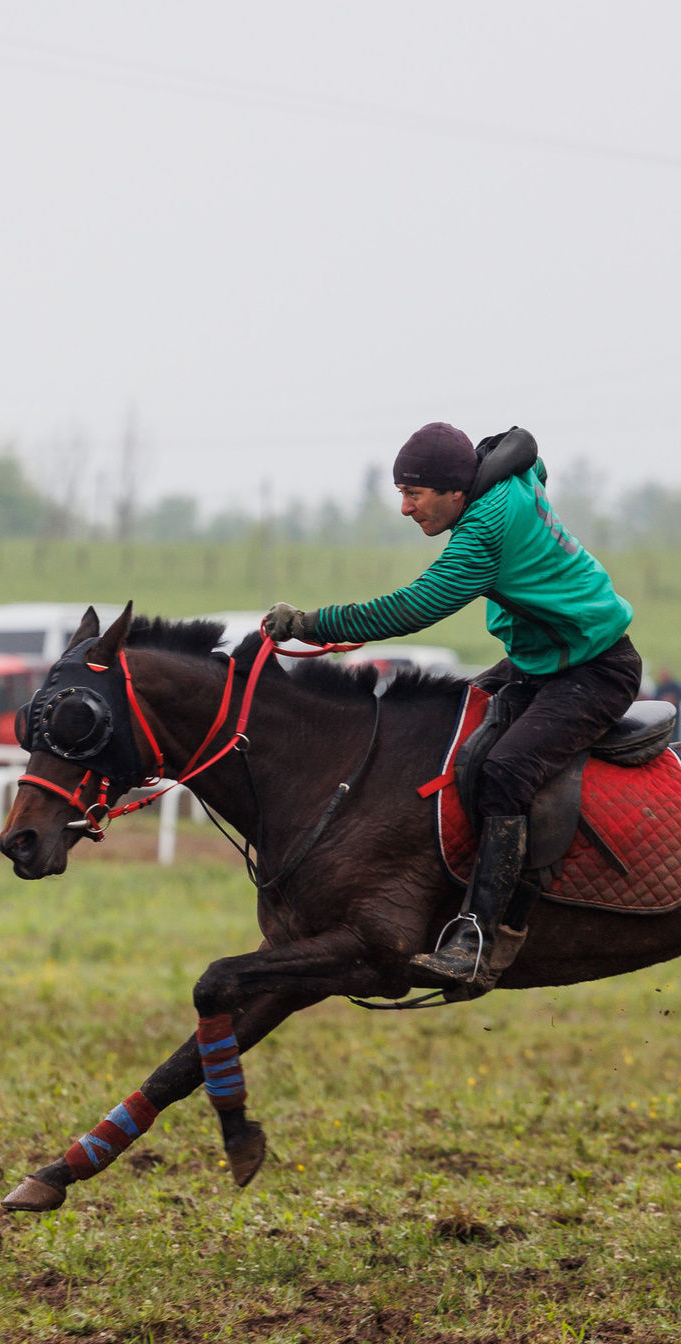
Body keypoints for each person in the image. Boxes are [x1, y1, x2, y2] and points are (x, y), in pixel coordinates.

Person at [262, 423, 637, 989]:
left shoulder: (484, 530)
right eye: (400, 493)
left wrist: (310, 624)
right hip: (542, 663)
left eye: (415, 494)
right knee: (447, 728)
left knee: (506, 771)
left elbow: (412, 609)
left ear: (456, 490)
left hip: (595, 671)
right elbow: (528, 451)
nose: (406, 508)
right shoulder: (506, 482)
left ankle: (482, 937)